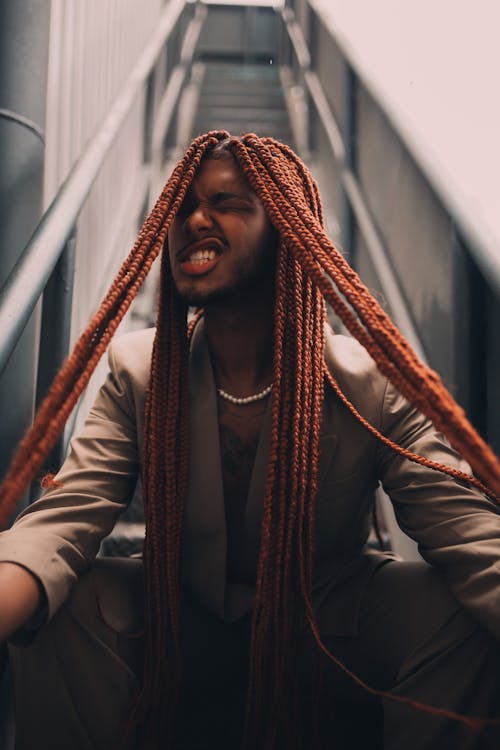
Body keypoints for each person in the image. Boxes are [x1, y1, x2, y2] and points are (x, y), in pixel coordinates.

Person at [0, 131, 499, 750]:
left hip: (320, 623)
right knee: (60, 603)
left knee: (458, 614)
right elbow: (63, 521)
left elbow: (471, 536)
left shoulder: (371, 383)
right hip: (176, 618)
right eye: (180, 207)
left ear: (289, 229)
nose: (195, 220)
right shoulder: (139, 372)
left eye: (228, 203)